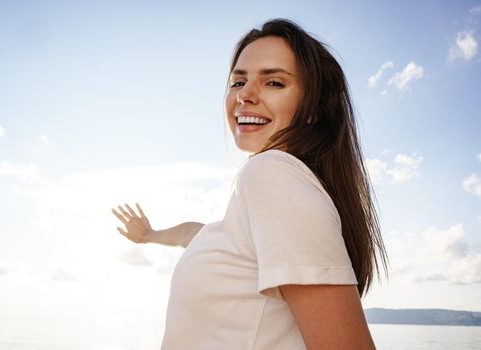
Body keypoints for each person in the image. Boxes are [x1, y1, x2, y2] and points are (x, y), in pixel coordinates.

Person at [111, 18, 388, 349]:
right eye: (238, 82)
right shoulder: (269, 197)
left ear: (313, 108)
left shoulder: (272, 173)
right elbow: (193, 234)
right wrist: (150, 236)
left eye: (274, 83)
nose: (246, 95)